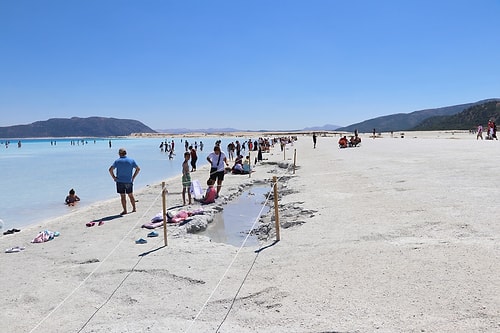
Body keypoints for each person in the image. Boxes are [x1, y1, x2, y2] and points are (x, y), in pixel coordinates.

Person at [108, 148, 140, 215]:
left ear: (119, 154)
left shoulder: (117, 161)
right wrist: (133, 177)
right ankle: (134, 208)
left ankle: (125, 210)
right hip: (129, 181)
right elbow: (138, 169)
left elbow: (110, 169)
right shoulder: (131, 160)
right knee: (130, 195)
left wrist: (114, 177)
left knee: (123, 196)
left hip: (120, 181)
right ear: (126, 153)